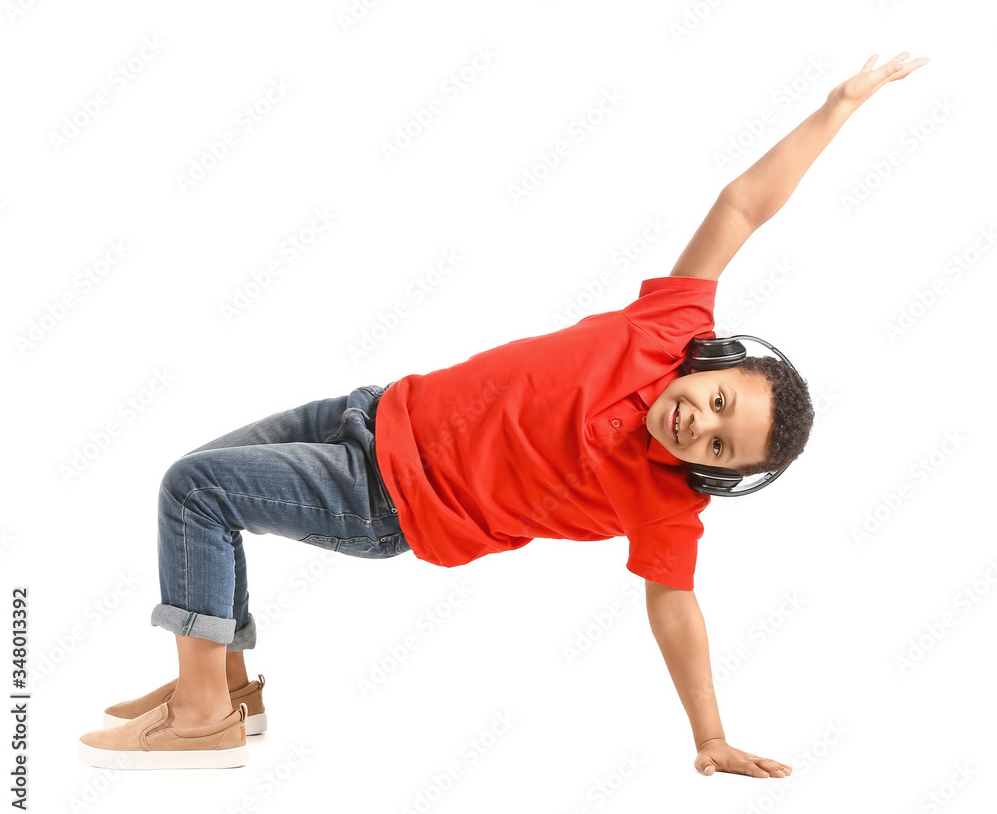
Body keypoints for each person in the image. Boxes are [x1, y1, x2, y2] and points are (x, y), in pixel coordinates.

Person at [77, 51, 929, 775]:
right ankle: (223, 683)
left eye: (718, 443)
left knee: (196, 491)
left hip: (391, 499)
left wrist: (709, 735)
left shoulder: (666, 499)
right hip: (373, 412)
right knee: (208, 489)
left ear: (717, 473)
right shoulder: (671, 326)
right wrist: (837, 110)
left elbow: (676, 611)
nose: (697, 422)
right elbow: (743, 205)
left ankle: (201, 722)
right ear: (717, 362)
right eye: (717, 401)